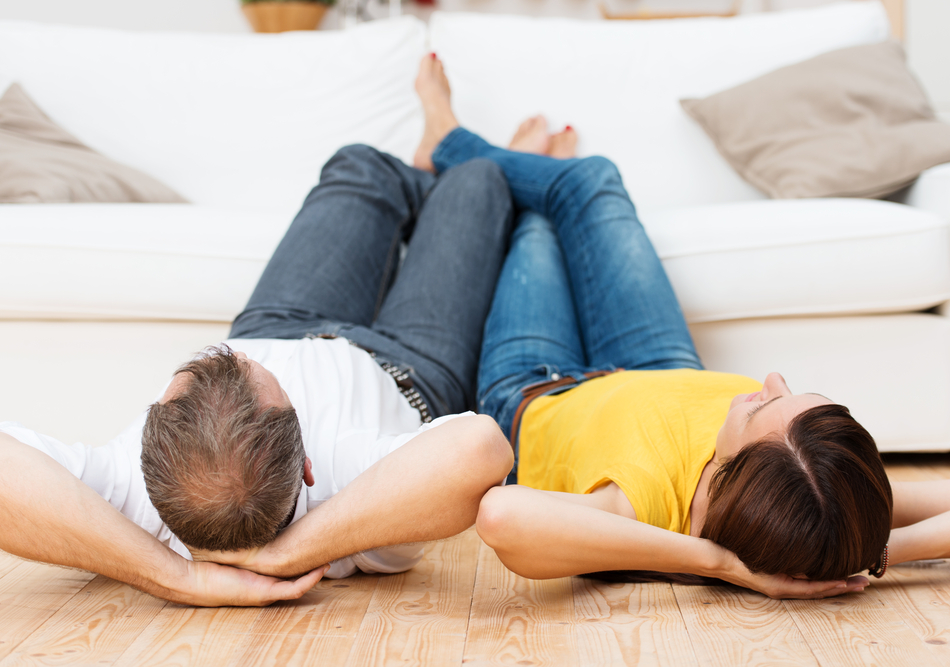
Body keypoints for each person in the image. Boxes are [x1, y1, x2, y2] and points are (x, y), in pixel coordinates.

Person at [410, 54, 890, 599]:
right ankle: (507, 163)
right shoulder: (822, 495)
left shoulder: (643, 510)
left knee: (540, 228)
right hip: (660, 365)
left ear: (734, 475)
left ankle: (453, 143)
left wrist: (721, 564)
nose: (772, 379)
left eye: (763, 406)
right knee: (594, 181)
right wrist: (838, 558)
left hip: (537, 385)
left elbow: (501, 514)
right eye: (796, 394)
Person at [0, 111, 517, 605]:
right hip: (409, 367)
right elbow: (481, 447)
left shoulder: (123, 489)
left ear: (145, 453)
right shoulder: (345, 484)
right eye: (261, 376)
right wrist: (291, 552)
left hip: (279, 322)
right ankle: (447, 174)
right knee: (478, 179)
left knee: (358, 164)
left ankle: (422, 168)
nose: (233, 356)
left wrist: (172, 574)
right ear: (308, 469)